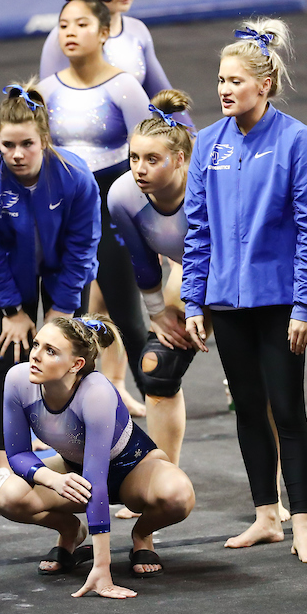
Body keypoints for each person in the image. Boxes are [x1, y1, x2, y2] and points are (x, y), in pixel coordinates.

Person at [182, 20, 307, 563]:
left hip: (279, 302)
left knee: (287, 410)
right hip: (226, 301)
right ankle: (266, 516)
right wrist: (193, 299)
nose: (224, 89)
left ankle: (303, 526)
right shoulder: (207, 143)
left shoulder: (298, 140)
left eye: (236, 81)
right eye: (221, 80)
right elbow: (197, 229)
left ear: (264, 85)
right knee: (247, 408)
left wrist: (306, 303)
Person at [0, 81, 101, 514]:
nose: (17, 154)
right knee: (12, 362)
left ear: (44, 140)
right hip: (12, 278)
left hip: (65, 273)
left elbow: (82, 245)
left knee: (71, 367)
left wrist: (62, 309)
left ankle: (80, 462)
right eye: (8, 145)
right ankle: (4, 469)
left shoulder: (75, 176)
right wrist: (12, 310)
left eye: (27, 144)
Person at [0, 314, 195, 594]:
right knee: (9, 497)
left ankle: (142, 534)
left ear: (76, 364)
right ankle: (70, 531)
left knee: (178, 495)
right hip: (76, 469)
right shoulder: (18, 380)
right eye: (37, 344)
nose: (36, 356)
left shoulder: (96, 392)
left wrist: (102, 569)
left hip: (134, 468)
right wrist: (53, 479)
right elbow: (17, 454)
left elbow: (96, 481)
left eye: (50, 351)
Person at [38, 0, 152, 416]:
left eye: (81, 24)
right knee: (65, 325)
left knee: (126, 316)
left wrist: (154, 224)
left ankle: (158, 401)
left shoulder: (124, 88)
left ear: (104, 32)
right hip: (62, 210)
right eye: (64, 25)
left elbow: (148, 158)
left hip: (110, 207)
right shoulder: (46, 92)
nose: (69, 32)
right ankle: (70, 420)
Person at [108, 90, 196, 464]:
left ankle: (272, 492)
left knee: (254, 383)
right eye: (134, 158)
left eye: (152, 159)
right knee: (157, 367)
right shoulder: (123, 196)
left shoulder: (208, 185)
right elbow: (143, 260)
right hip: (188, 271)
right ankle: (163, 479)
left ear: (179, 160)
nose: (139, 169)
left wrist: (199, 309)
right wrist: (158, 312)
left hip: (240, 278)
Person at [39, 0, 192, 130]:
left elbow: (163, 96)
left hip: (134, 141)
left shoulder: (137, 31)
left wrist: (192, 137)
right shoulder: (65, 37)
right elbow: (46, 107)